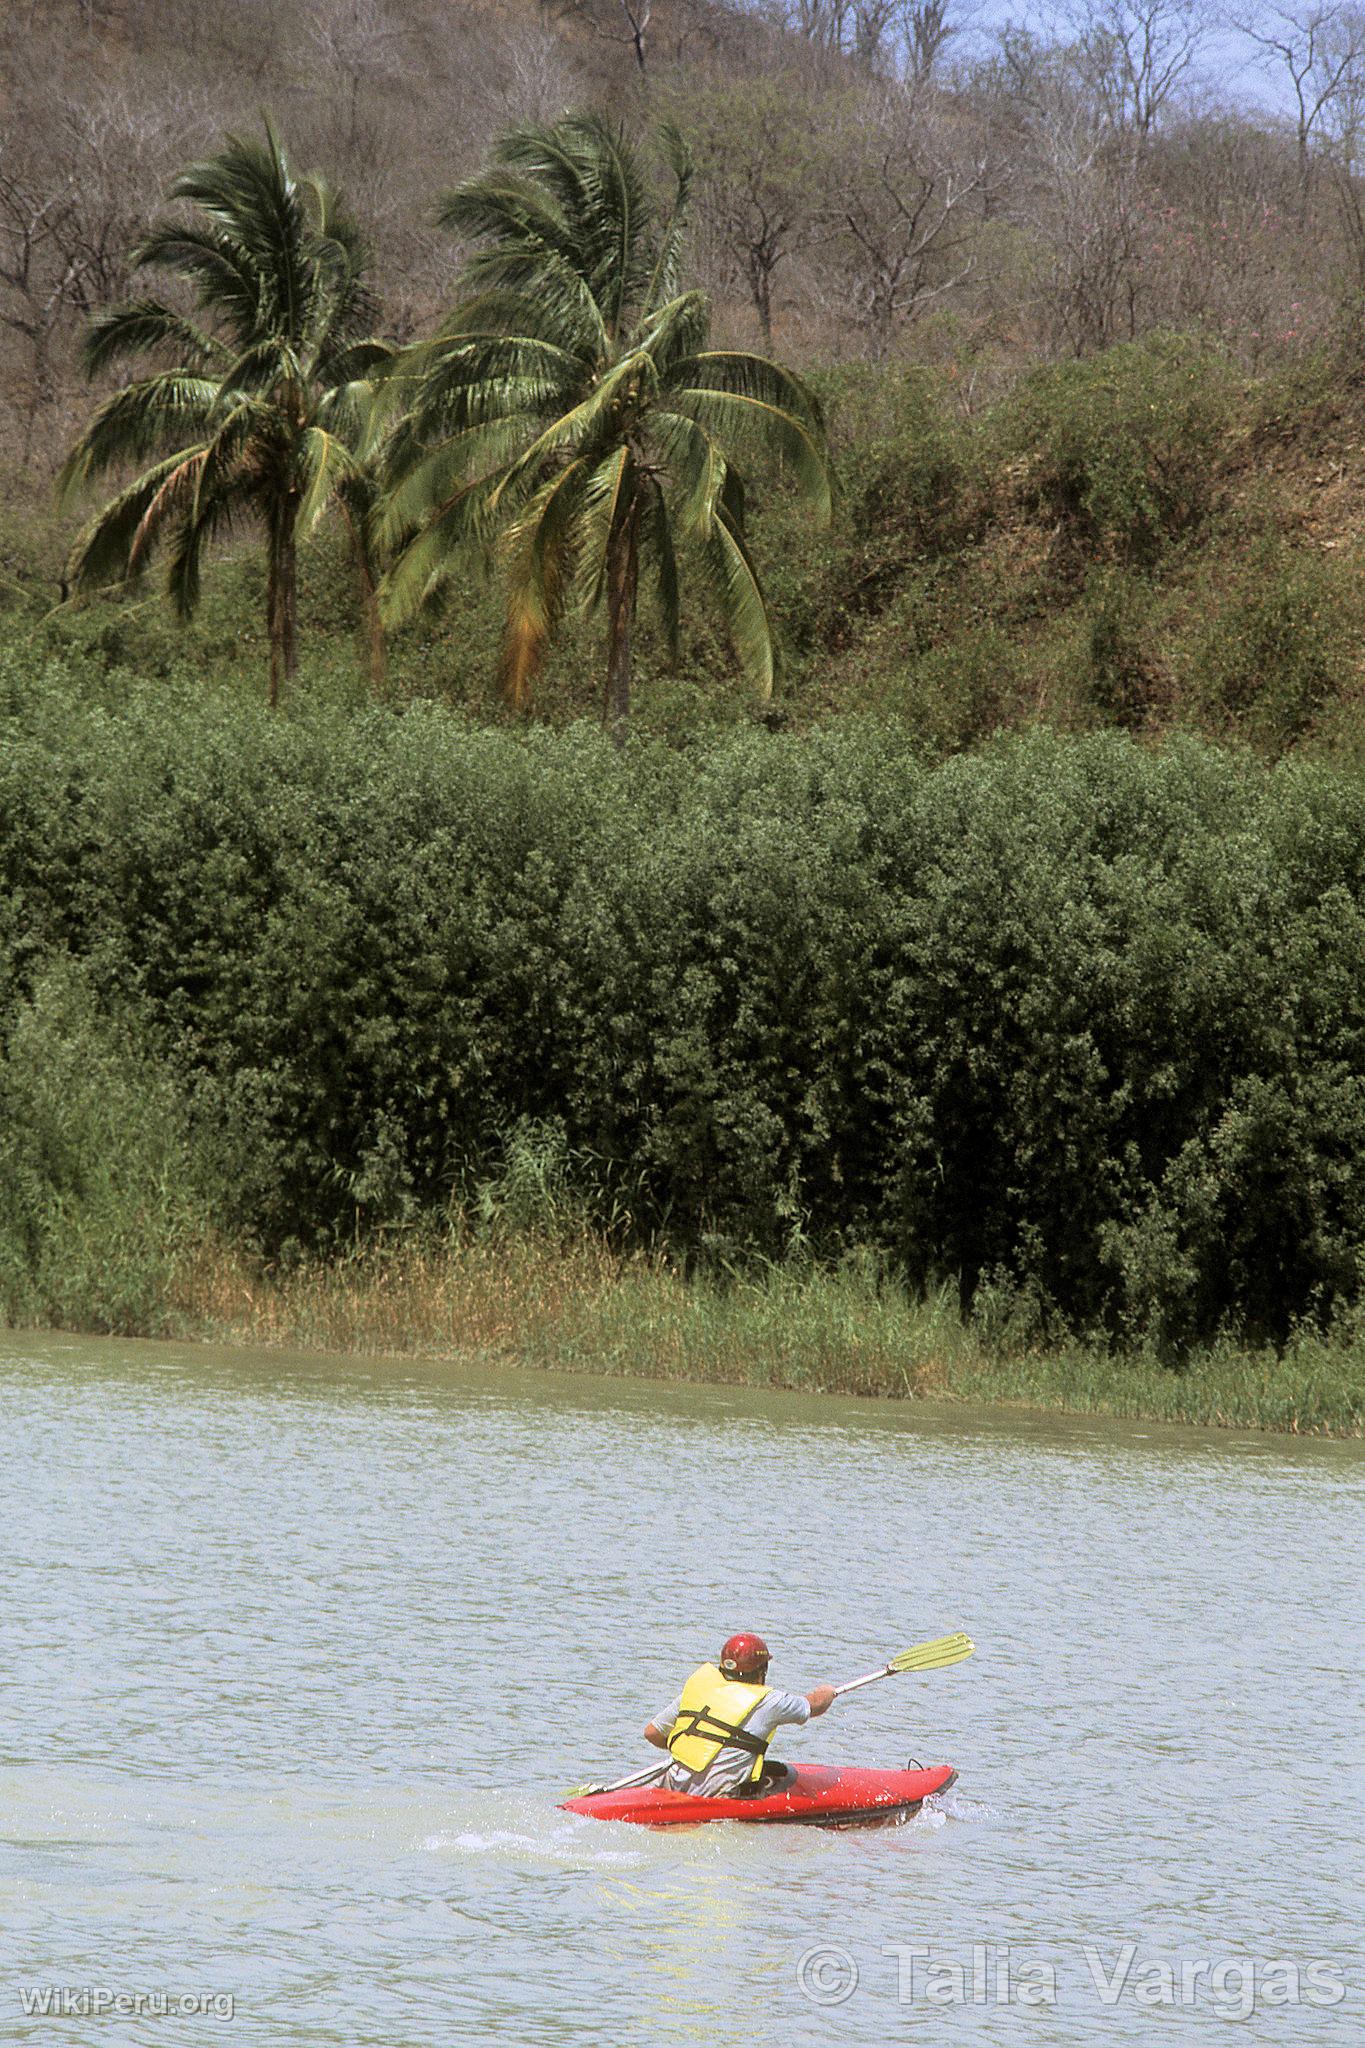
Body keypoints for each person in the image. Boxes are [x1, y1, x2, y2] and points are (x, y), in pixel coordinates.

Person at [642, 1633, 836, 1797]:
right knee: (785, 1775)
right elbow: (815, 1705)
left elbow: (652, 1733)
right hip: (716, 1793)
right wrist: (828, 1692)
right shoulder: (769, 1702)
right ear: (762, 1671)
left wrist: (692, 1747)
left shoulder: (697, 1689)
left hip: (672, 1783)